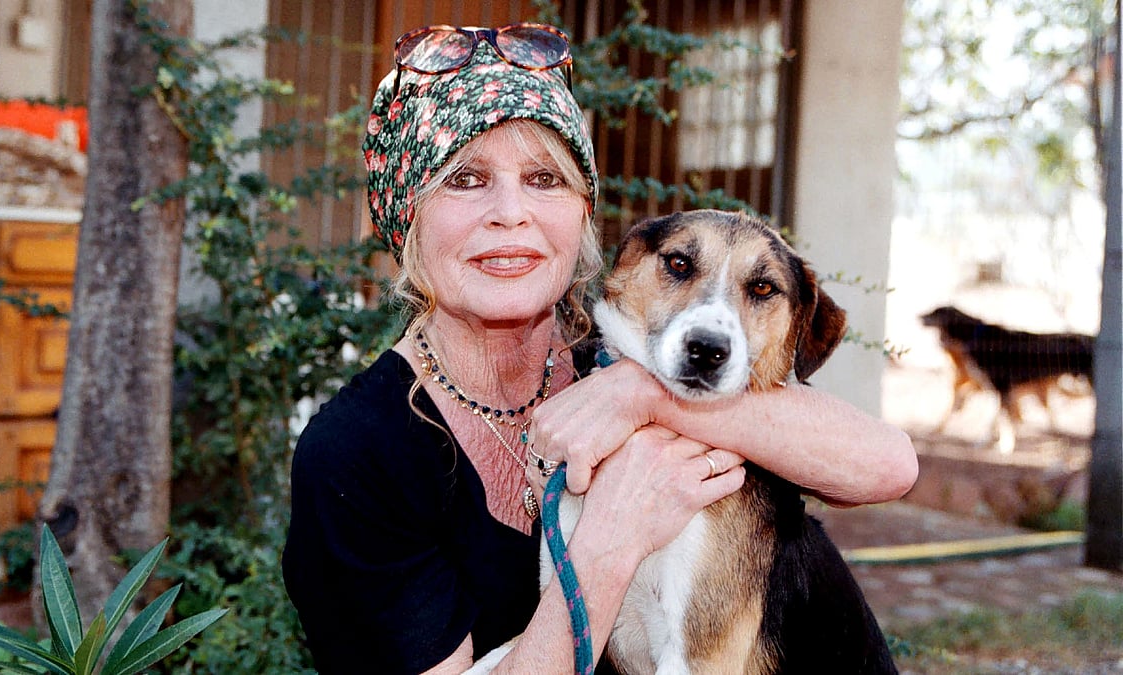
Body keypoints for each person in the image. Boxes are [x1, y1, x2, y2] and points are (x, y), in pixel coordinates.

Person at [281, 22, 917, 674]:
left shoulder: (629, 357)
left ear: (583, 212)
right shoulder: (357, 454)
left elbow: (888, 466)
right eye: (465, 179)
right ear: (407, 219)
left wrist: (644, 395)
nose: (511, 212)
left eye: (544, 179)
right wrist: (609, 540)